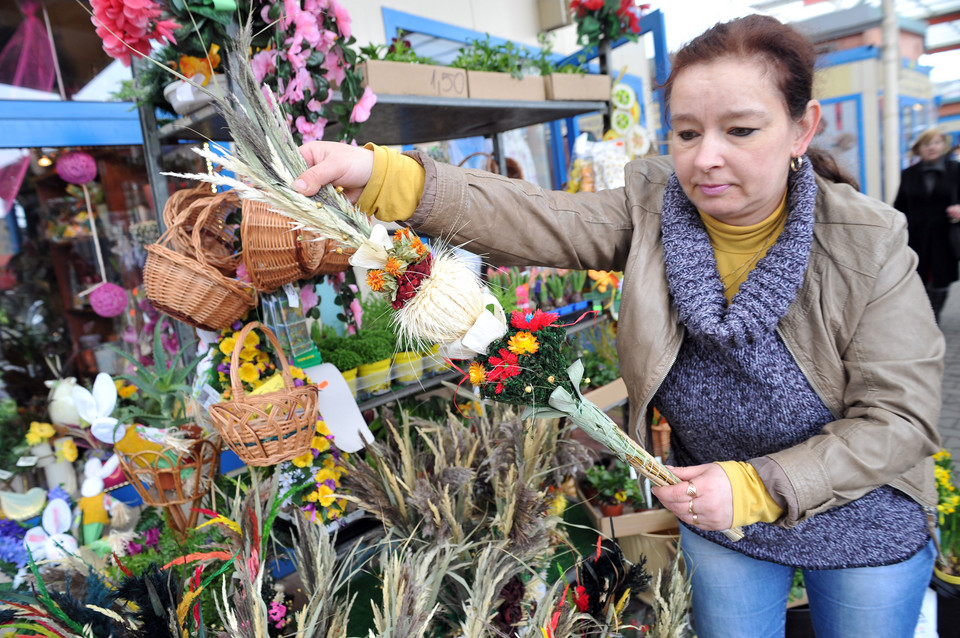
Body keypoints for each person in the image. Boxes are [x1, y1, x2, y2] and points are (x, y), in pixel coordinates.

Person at [292, 15, 941, 638]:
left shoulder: (867, 241)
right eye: (687, 133)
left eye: (740, 130)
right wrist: (381, 176)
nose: (707, 158)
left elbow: (901, 419)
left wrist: (759, 485)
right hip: (712, 502)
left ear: (803, 128)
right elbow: (541, 217)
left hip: (862, 506)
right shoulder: (657, 206)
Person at [893, 127, 960, 322]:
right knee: (918, 279)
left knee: (941, 281)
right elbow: (899, 205)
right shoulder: (908, 174)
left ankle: (934, 317)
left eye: (936, 143)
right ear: (918, 148)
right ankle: (925, 318)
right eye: (927, 144)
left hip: (945, 234)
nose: (932, 147)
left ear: (943, 145)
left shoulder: (955, 170)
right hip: (917, 235)